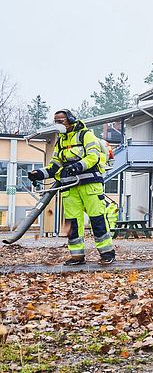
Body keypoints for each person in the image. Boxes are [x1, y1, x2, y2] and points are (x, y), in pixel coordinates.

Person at [28, 109, 116, 265]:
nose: (58, 124)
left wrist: (77, 166)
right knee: (72, 222)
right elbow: (55, 166)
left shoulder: (85, 135)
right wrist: (39, 174)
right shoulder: (60, 141)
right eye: (56, 121)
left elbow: (93, 156)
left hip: (90, 184)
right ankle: (77, 255)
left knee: (97, 219)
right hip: (69, 187)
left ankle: (107, 253)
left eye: (60, 121)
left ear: (70, 120)